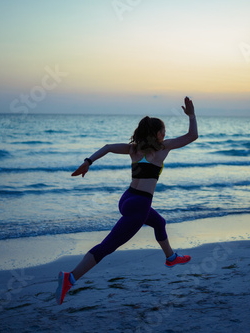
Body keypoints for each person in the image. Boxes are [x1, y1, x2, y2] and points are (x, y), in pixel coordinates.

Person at [56, 97, 198, 305]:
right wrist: (192, 115)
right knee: (107, 246)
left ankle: (170, 257)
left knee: (159, 222)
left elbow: (107, 147)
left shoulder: (133, 149)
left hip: (127, 198)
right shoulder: (162, 149)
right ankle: (71, 277)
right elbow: (193, 135)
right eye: (163, 131)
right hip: (139, 205)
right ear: (156, 134)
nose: (165, 134)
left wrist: (88, 162)